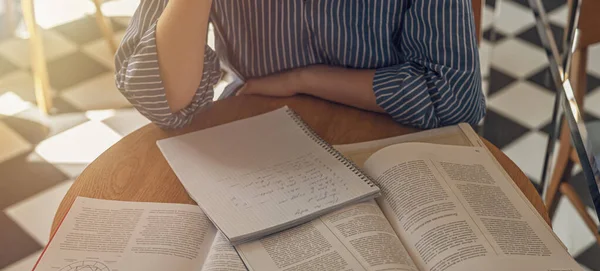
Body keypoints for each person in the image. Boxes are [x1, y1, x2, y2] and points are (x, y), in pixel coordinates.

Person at [115, 0, 485, 130]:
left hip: (391, 136)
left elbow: (452, 96)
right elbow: (160, 97)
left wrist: (305, 79)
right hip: (256, 134)